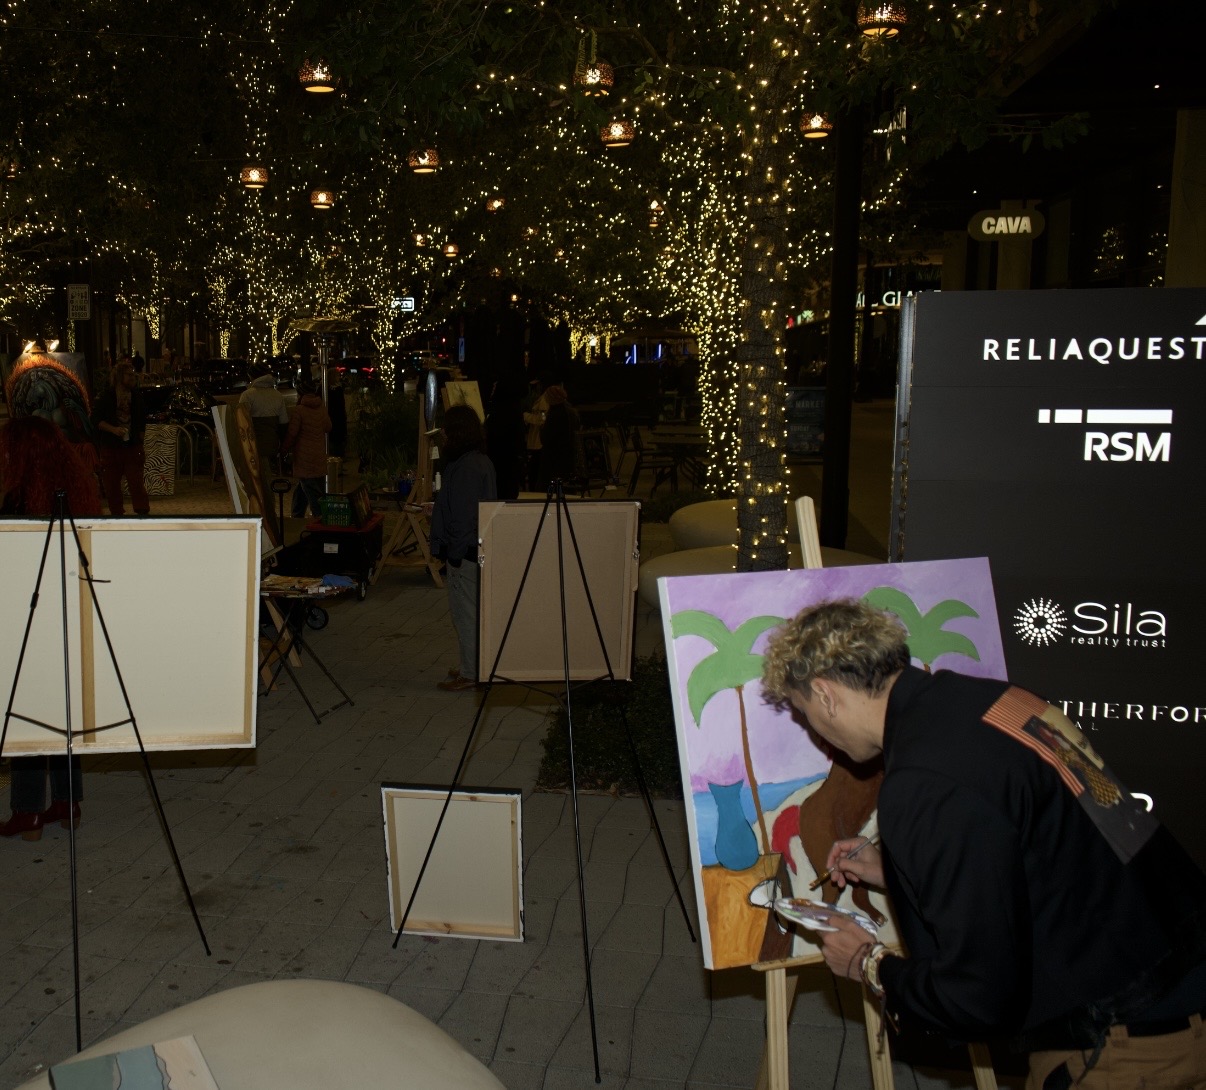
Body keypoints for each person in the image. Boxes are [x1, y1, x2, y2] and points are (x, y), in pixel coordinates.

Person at [760, 598, 1206, 1090]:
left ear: (824, 694)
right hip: (1176, 956)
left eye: (804, 714)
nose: (816, 733)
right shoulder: (998, 700)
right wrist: (899, 870)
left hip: (1129, 1040)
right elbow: (1040, 848)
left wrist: (869, 962)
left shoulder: (922, 783)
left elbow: (979, 997)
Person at [0, 416, 102, 840]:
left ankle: (28, 811)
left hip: (25, 612)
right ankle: (68, 801)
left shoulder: (18, 498)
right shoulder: (75, 490)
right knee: (63, 708)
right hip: (68, 610)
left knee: (27, 708)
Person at [428, 405, 497, 692]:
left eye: (446, 427)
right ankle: (474, 665)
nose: (442, 433)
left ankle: (471, 672)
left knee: (465, 614)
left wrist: (453, 556)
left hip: (466, 553)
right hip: (475, 549)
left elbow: (464, 516)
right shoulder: (478, 461)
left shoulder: (466, 466)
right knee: (473, 613)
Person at [91, 358, 150, 516]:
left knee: (136, 482)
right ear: (119, 377)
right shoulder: (107, 397)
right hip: (111, 446)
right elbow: (96, 420)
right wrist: (113, 430)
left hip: (132, 446)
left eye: (133, 375)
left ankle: (142, 512)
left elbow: (142, 418)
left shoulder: (136, 396)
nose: (132, 378)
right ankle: (116, 514)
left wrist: (140, 438)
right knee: (112, 485)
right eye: (129, 375)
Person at [282, 379, 332, 518]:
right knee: (304, 488)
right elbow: (328, 427)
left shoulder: (299, 410)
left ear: (301, 394)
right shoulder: (321, 407)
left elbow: (292, 433)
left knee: (313, 495)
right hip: (319, 455)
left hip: (304, 458)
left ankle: (319, 521)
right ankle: (296, 515)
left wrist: (284, 449)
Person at [239, 362, 289, 476]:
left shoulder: (247, 395)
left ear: (253, 376)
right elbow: (284, 423)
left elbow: (241, 419)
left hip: (252, 445)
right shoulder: (277, 395)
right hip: (272, 443)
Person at [536, 382, 583, 490]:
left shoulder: (554, 415)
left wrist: (541, 427)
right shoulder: (571, 412)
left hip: (553, 458)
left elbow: (545, 439)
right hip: (568, 456)